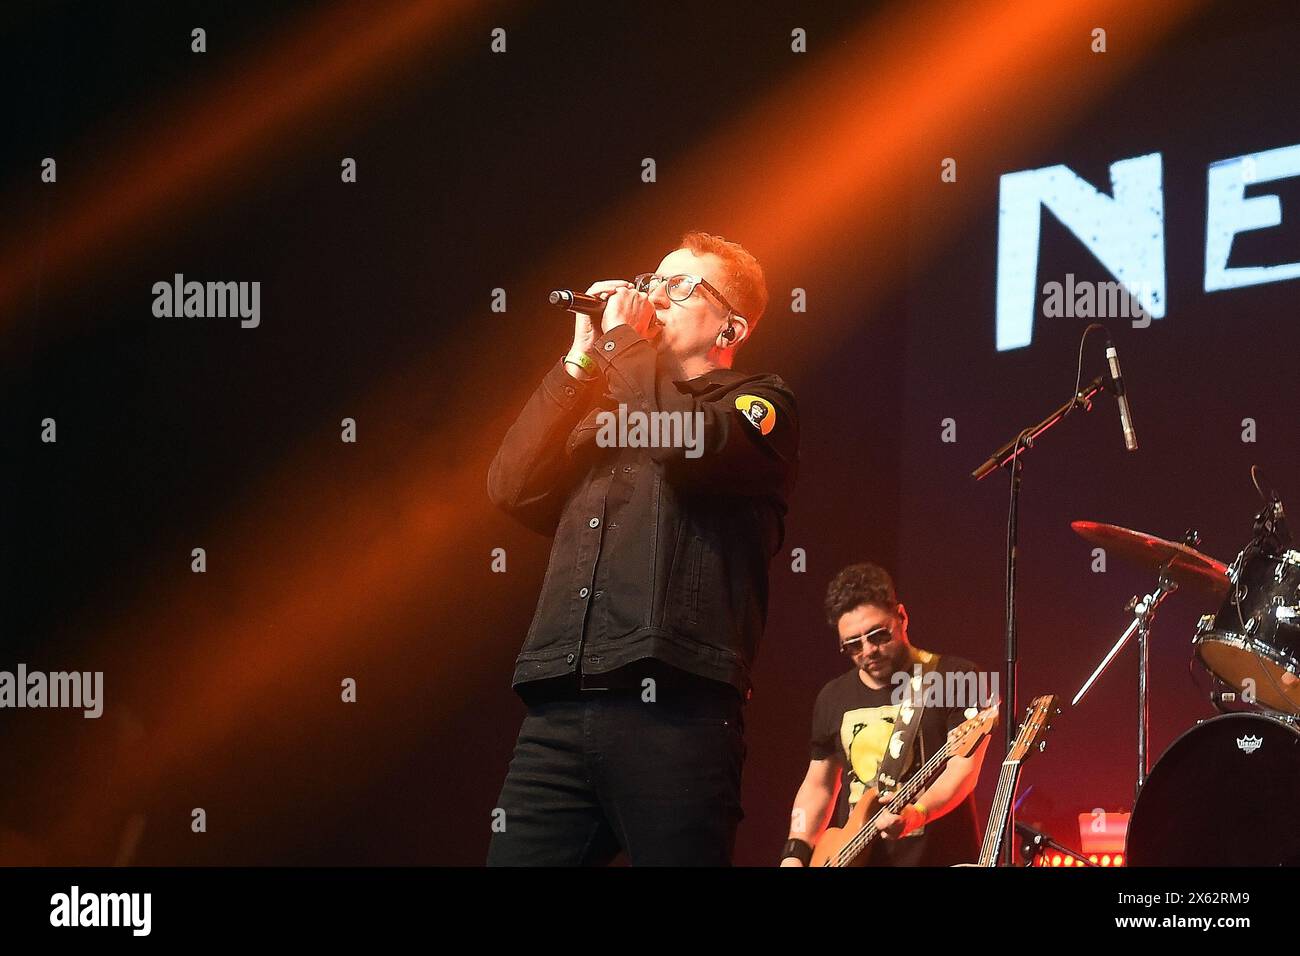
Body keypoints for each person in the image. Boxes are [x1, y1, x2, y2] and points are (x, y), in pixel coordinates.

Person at [486, 231, 798, 865]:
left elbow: (684, 441)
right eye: (652, 280)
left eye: (677, 286)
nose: (653, 294)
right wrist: (579, 360)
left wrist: (622, 343)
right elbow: (510, 486)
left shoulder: (760, 403)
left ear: (729, 325)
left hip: (677, 717)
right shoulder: (611, 407)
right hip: (559, 710)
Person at [780, 562, 990, 867]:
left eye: (878, 635)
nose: (867, 651)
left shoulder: (955, 677)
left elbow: (962, 771)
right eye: (852, 645)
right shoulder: (832, 696)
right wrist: (794, 853)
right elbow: (819, 785)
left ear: (902, 617)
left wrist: (916, 814)